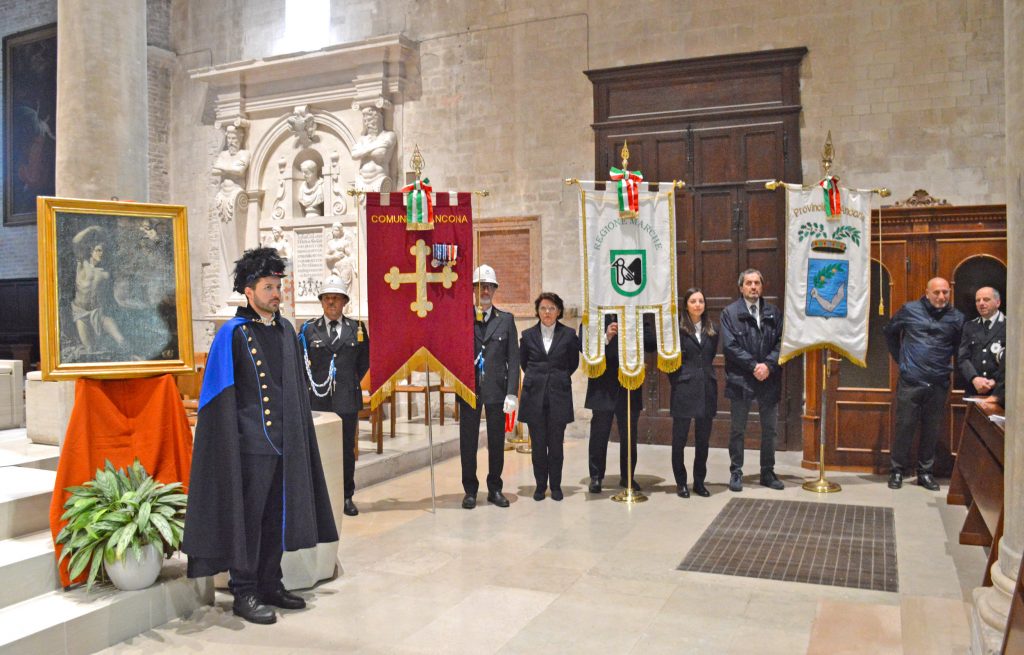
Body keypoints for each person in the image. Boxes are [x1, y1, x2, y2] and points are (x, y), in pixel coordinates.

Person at [183, 248, 337, 625]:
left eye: (278, 285)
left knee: (276, 517)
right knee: (249, 520)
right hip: (250, 447)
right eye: (268, 287)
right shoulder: (232, 335)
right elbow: (218, 399)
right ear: (248, 291)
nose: (276, 293)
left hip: (285, 443)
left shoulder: (285, 329)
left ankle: (271, 582)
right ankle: (245, 590)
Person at [884, 277, 965, 491]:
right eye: (937, 292)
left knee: (932, 430)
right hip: (911, 381)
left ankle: (925, 473)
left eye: (945, 292)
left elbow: (960, 348)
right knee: (904, 427)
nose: (941, 297)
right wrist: (901, 359)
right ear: (927, 292)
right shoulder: (909, 310)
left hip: (938, 383)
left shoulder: (957, 318)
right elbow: (890, 333)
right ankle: (897, 471)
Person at [300, 275, 369, 517]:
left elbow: (364, 362)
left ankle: (346, 496)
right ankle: (320, 498)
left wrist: (347, 384)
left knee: (346, 450)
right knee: (318, 450)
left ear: (344, 302)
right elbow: (302, 365)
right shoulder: (308, 330)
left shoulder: (357, 329)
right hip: (318, 400)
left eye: (336, 298)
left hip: (346, 399)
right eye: (327, 298)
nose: (331, 303)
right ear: (321, 302)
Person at [459, 264, 519, 509]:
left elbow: (513, 360)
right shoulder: (462, 320)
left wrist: (512, 393)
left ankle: (495, 488)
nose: (484, 290)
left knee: (496, 442)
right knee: (468, 443)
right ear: (473, 289)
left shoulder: (505, 320)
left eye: (489, 286)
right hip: (469, 389)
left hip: (496, 389)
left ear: (494, 290)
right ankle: (470, 490)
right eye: (480, 286)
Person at [720, 268, 785, 492]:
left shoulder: (774, 312)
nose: (753, 287)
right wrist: (753, 366)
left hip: (769, 377)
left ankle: (767, 472)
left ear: (762, 286)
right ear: (741, 287)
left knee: (770, 429)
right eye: (749, 283)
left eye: (757, 283)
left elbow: (781, 343)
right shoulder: (729, 313)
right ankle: (736, 472)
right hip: (741, 379)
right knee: (738, 428)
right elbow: (729, 346)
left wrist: (767, 365)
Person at [518, 292, 580, 501]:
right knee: (537, 445)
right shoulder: (527, 336)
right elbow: (523, 363)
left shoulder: (569, 334)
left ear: (559, 311)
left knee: (555, 445)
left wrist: (556, 378)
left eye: (552, 308)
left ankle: (556, 486)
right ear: (537, 311)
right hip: (534, 396)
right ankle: (539, 485)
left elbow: (573, 363)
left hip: (558, 396)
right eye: (543, 308)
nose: (547, 312)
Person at [583, 315, 654, 493]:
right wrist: (605, 337)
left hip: (629, 384)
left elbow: (652, 344)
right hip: (602, 384)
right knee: (599, 433)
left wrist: (634, 332)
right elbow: (582, 344)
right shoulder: (595, 312)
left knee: (629, 434)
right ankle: (596, 477)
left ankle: (628, 476)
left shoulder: (635, 313)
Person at [667, 288, 719, 498]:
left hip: (706, 387)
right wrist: (679, 380)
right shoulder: (676, 329)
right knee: (679, 439)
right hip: (684, 388)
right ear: (686, 304)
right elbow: (670, 363)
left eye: (701, 301)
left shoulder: (712, 328)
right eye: (693, 301)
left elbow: (710, 356)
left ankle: (699, 481)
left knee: (703, 440)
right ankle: (681, 482)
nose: (698, 305)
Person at [70, 225, 126, 353]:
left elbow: (114, 294)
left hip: (99, 312)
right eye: (99, 250)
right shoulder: (82, 264)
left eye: (104, 251)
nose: (102, 253)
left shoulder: (106, 273)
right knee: (89, 349)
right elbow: (75, 242)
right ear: (91, 251)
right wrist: (91, 229)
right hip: (80, 312)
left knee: (121, 339)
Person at [958, 286, 1005, 397]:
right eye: (978, 300)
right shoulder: (970, 326)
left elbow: (1014, 362)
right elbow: (963, 358)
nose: (981, 303)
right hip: (974, 389)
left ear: (997, 302)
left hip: (1000, 391)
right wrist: (974, 379)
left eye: (986, 299)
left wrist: (994, 381)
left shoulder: (1009, 326)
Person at [351, 103, 397, 192]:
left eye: (372, 121)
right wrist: (374, 146)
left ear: (379, 120)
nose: (369, 124)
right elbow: (354, 155)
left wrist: (363, 151)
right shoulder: (363, 139)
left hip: (380, 179)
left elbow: (380, 154)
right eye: (366, 122)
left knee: (382, 206)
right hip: (361, 181)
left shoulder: (389, 135)